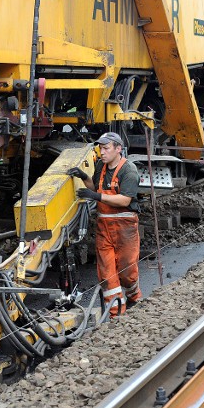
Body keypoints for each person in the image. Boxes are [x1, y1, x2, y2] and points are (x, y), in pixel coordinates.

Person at [68, 132, 141, 317]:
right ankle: (116, 314)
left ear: (118, 149)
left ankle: (134, 296)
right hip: (104, 227)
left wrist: (96, 197)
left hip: (125, 227)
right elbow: (96, 188)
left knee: (127, 269)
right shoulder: (101, 165)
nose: (102, 152)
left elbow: (125, 200)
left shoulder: (129, 171)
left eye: (106, 148)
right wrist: (84, 176)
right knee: (107, 272)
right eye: (101, 148)